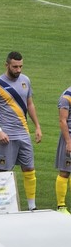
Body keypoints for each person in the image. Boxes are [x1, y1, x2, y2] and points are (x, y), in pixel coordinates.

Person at [0, 51, 42, 211]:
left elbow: (29, 104)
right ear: (7, 65)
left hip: (23, 133)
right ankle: (1, 207)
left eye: (20, 66)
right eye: (15, 67)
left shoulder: (25, 81)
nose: (18, 70)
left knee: (29, 168)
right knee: (3, 171)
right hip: (6, 135)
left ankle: (32, 207)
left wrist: (37, 126)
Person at [55, 85, 71, 214]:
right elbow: (62, 121)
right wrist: (68, 141)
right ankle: (61, 206)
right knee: (65, 171)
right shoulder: (66, 97)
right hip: (69, 137)